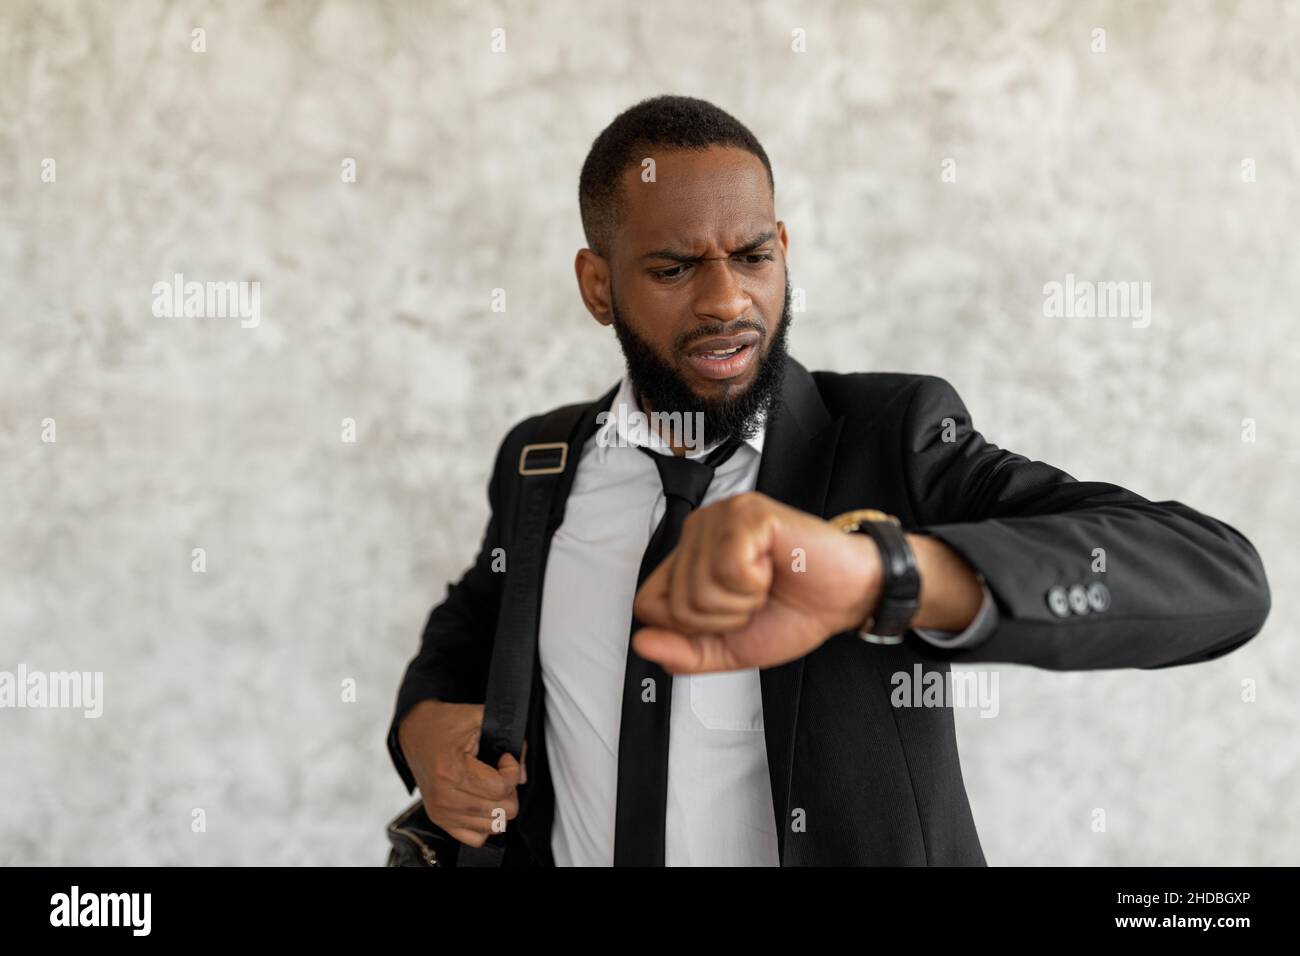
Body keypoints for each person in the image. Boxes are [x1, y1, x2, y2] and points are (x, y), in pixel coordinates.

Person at [387, 95, 1271, 866]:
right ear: (597, 286)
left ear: (784, 249)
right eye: (673, 268)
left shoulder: (896, 440)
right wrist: (423, 730)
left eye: (753, 255)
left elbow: (1218, 580)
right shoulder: (540, 461)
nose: (727, 300)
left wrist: (875, 574)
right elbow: (472, 626)